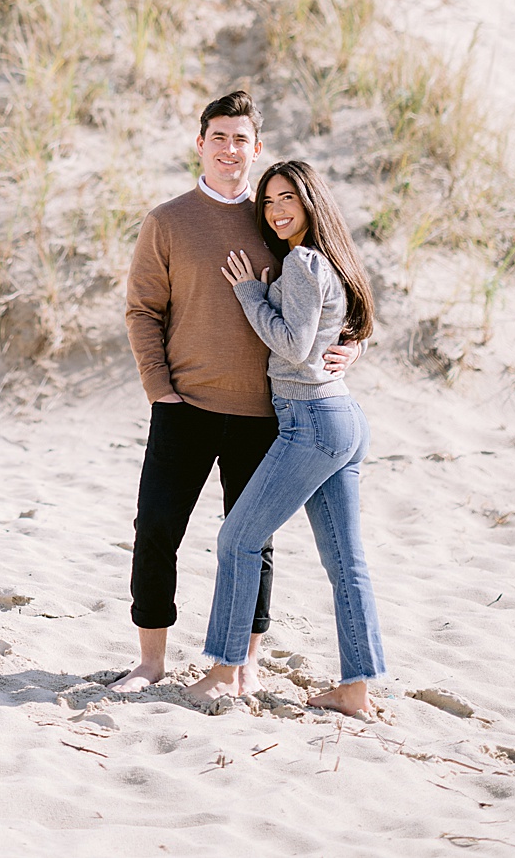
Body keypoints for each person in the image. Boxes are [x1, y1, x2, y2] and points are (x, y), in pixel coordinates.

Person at [116, 94, 359, 696]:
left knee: (254, 542)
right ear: (200, 144)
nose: (230, 149)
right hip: (185, 408)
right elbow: (142, 310)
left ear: (257, 148)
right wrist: (159, 389)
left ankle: (244, 665)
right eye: (218, 137)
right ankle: (150, 662)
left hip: (265, 413)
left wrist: (352, 343)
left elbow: (338, 285)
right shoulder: (167, 221)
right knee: (156, 531)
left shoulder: (276, 217)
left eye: (241, 139)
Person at [188, 159, 386, 718]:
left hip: (311, 422)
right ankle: (356, 688)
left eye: (286, 201)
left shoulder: (301, 260)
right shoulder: (329, 260)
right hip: (343, 416)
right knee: (347, 562)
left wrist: (250, 293)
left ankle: (226, 672)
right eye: (268, 202)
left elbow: (295, 347)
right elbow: (342, 330)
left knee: (237, 540)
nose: (275, 211)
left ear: (308, 203)